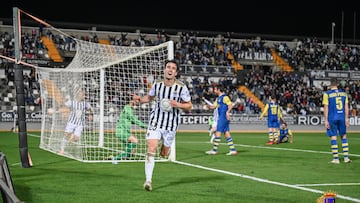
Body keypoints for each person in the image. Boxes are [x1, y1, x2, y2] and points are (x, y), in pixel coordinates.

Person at [132, 59, 192, 192]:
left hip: (171, 125)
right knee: (151, 147)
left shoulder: (181, 87)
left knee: (164, 153)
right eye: (168, 67)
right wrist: (140, 100)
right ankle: (148, 181)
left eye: (173, 68)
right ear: (164, 70)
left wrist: (179, 105)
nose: (170, 70)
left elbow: (189, 105)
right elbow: (149, 97)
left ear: (176, 73)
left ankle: (166, 149)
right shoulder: (157, 84)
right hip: (156, 121)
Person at [322, 78, 351, 164]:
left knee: (333, 136)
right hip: (342, 117)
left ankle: (336, 159)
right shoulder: (344, 93)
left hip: (332, 118)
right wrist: (346, 118)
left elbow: (326, 108)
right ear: (337, 84)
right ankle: (346, 158)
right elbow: (346, 107)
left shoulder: (327, 94)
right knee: (344, 136)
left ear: (330, 85)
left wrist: (326, 120)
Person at [205, 84, 238, 156]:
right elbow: (214, 106)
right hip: (223, 117)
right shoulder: (219, 98)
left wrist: (227, 112)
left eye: (215, 89)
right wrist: (208, 106)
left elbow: (230, 105)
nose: (214, 90)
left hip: (223, 117)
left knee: (218, 132)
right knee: (226, 133)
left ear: (219, 89)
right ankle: (233, 150)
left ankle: (214, 150)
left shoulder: (225, 97)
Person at [59, 87, 93, 155]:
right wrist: (62, 103)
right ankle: (62, 150)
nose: (84, 96)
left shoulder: (85, 103)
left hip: (80, 124)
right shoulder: (71, 102)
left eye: (84, 95)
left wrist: (90, 115)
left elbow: (90, 109)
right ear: (78, 95)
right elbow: (63, 105)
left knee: (76, 139)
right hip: (71, 122)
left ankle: (72, 135)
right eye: (82, 94)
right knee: (66, 135)